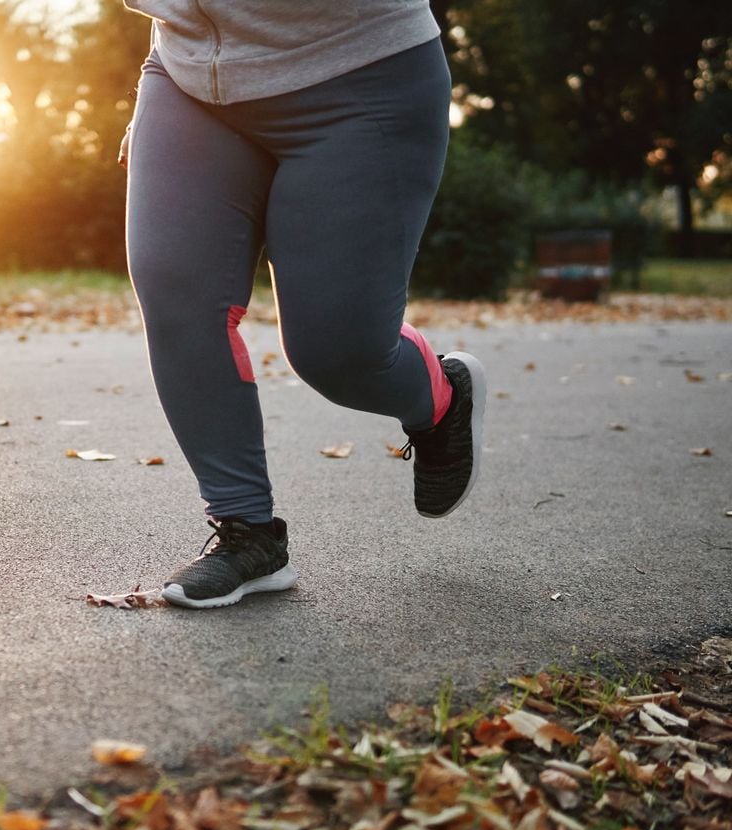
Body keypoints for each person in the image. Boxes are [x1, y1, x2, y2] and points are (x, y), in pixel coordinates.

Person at [120, 1, 487, 609]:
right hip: (188, 76)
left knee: (335, 352)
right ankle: (247, 533)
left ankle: (439, 396)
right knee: (176, 294)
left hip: (361, 72)